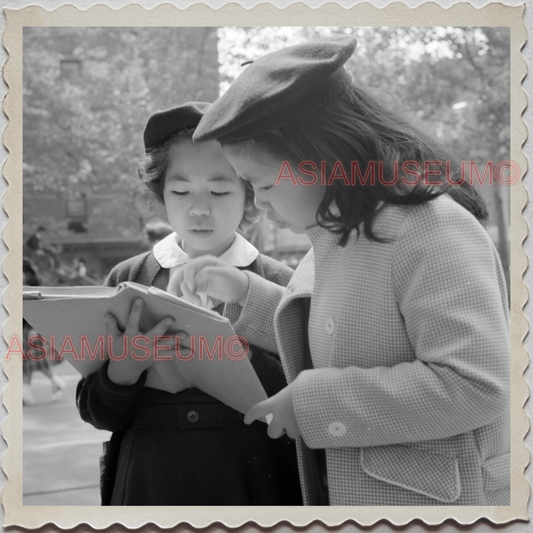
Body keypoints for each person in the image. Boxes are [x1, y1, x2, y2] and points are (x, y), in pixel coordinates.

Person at [172, 36, 511, 506]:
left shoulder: (429, 229)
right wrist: (243, 290)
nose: (260, 202)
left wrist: (313, 404)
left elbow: (477, 383)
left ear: (323, 157)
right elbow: (337, 329)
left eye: (263, 183)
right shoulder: (336, 227)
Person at [76, 102, 302, 506]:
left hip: (253, 482)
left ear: (251, 193)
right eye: (180, 191)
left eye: (219, 190)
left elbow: (303, 400)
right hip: (150, 485)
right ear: (160, 195)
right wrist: (121, 374)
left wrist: (230, 353)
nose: (199, 208)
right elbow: (96, 413)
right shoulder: (127, 280)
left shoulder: (281, 284)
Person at [22, 258, 66, 405]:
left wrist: (33, 329)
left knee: (30, 361)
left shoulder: (31, 288)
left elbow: (39, 311)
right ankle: (30, 391)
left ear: (27, 273)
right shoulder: (16, 286)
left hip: (33, 329)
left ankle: (51, 383)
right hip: (23, 329)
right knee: (26, 362)